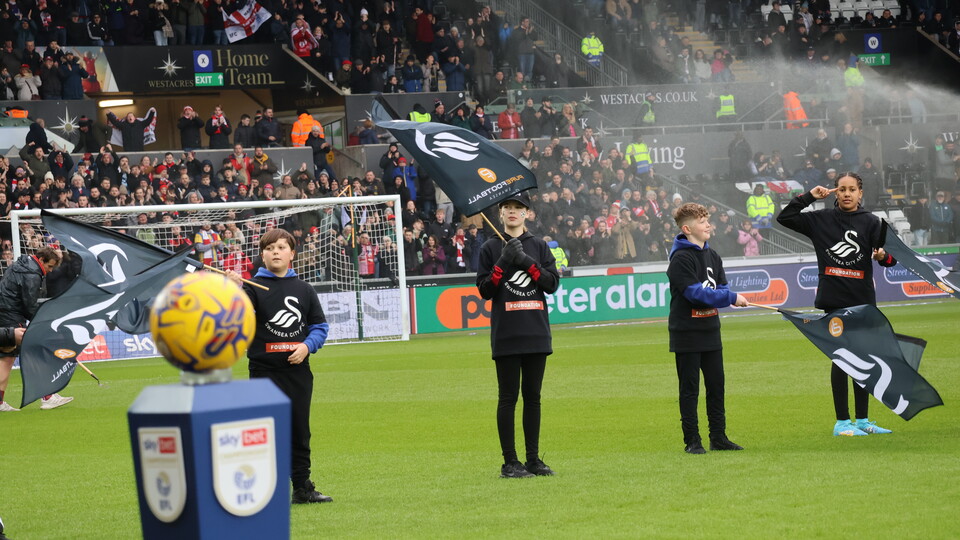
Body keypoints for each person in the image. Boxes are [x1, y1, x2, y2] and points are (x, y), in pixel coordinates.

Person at [777, 173, 898, 436]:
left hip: (863, 302)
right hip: (835, 301)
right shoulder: (820, 219)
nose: (846, 193)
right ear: (835, 192)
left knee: (864, 360)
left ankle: (863, 420)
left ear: (860, 193)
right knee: (843, 359)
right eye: (841, 189)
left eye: (851, 189)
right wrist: (810, 196)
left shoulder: (872, 223)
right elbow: (784, 217)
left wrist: (883, 255)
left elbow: (891, 260)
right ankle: (842, 423)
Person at [226, 229, 332, 504]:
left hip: (298, 373)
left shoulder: (304, 289)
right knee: (265, 433)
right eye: (270, 247)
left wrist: (307, 346)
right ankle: (263, 490)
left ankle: (302, 487)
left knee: (299, 431)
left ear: (292, 254)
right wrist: (232, 290)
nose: (276, 251)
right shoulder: (250, 288)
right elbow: (238, 318)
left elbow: (319, 327)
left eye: (282, 247)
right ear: (262, 254)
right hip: (264, 373)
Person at [476, 192, 560, 478]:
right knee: (508, 397)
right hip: (507, 334)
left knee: (533, 397)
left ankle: (533, 459)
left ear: (527, 214)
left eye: (518, 208)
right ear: (500, 214)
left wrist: (526, 261)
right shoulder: (489, 247)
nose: (512, 212)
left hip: (536, 332)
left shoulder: (539, 246)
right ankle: (510, 462)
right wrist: (502, 262)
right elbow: (485, 290)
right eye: (507, 208)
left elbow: (551, 285)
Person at [667, 203, 748, 454]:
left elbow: (721, 287)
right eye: (703, 222)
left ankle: (719, 437)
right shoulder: (680, 259)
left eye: (708, 220)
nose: (708, 225)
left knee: (716, 386)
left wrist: (727, 295)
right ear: (687, 228)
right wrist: (731, 298)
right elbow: (696, 294)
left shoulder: (713, 256)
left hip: (711, 330)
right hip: (686, 333)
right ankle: (692, 440)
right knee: (690, 389)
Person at [0, 246, 73, 411]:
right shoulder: (32, 274)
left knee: (7, 358)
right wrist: (43, 323)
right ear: (41, 260)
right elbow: (29, 305)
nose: (50, 270)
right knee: (30, 354)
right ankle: (47, 397)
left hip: (5, 314)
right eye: (50, 266)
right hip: (12, 316)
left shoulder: (21, 265)